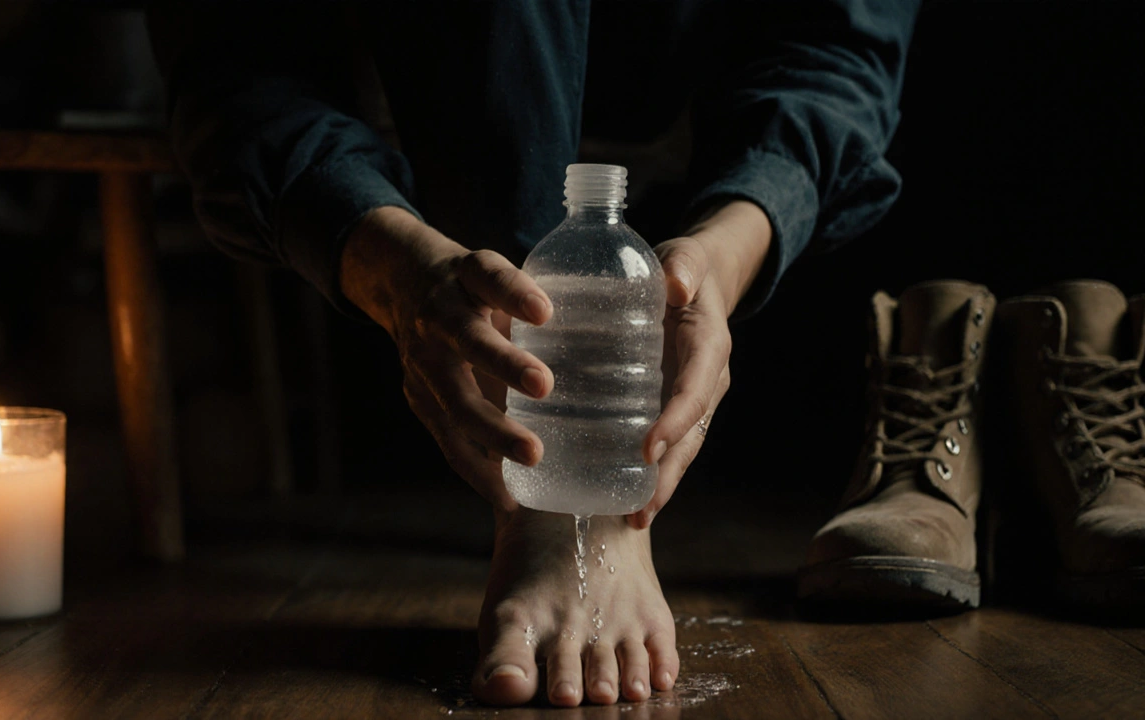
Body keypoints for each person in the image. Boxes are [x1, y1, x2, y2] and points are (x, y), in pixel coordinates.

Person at [148, 0, 919, 707]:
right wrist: (391, 265)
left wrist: (726, 255)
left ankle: (599, 510)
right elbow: (230, 61)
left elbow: (842, 49)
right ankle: (552, 511)